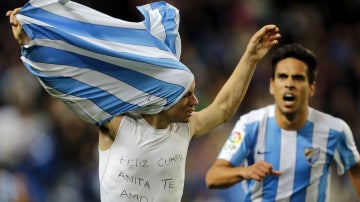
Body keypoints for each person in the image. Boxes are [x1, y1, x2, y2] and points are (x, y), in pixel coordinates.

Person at [6, 1, 281, 202]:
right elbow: (66, 85)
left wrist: (251, 57)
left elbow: (222, 109)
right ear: (162, 98)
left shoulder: (184, 128)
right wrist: (30, 44)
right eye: (186, 95)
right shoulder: (116, 126)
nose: (194, 102)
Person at [205, 44, 360, 201]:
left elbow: (355, 170)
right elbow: (213, 177)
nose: (289, 84)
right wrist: (245, 171)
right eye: (282, 77)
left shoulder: (335, 130)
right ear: (272, 85)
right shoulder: (250, 125)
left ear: (312, 88)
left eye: (298, 78)